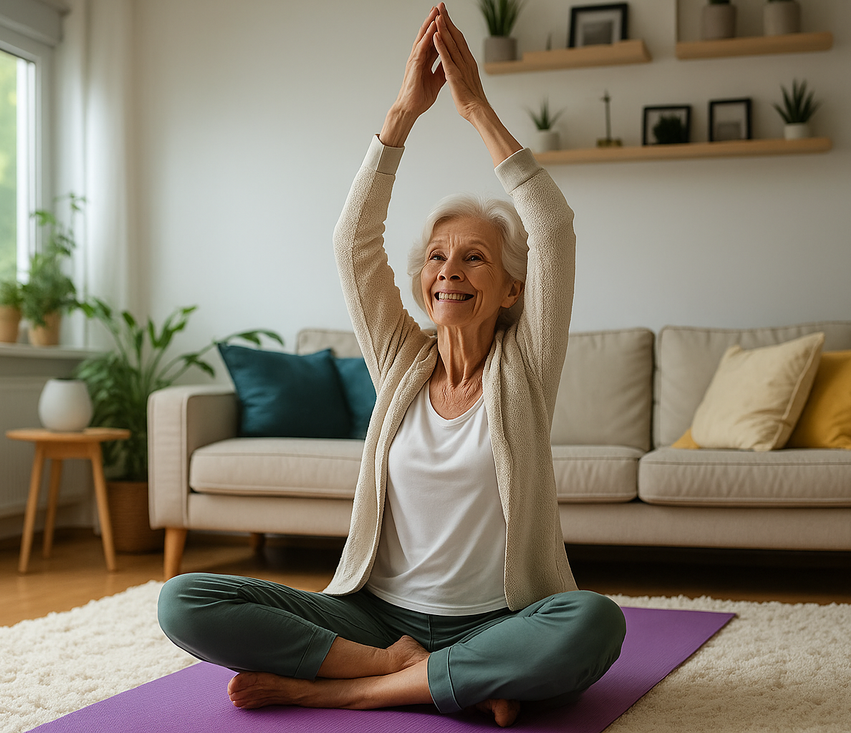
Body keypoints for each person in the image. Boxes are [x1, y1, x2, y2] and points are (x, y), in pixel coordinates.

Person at [157, 5, 625, 727]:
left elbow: (553, 229)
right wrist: (403, 113)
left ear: (511, 289)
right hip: (376, 619)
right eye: (437, 256)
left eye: (475, 256)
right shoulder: (400, 360)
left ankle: (347, 688)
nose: (449, 270)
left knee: (594, 623)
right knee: (182, 599)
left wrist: (472, 107)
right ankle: (419, 675)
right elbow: (354, 244)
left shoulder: (525, 365)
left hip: (497, 620)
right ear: (421, 282)